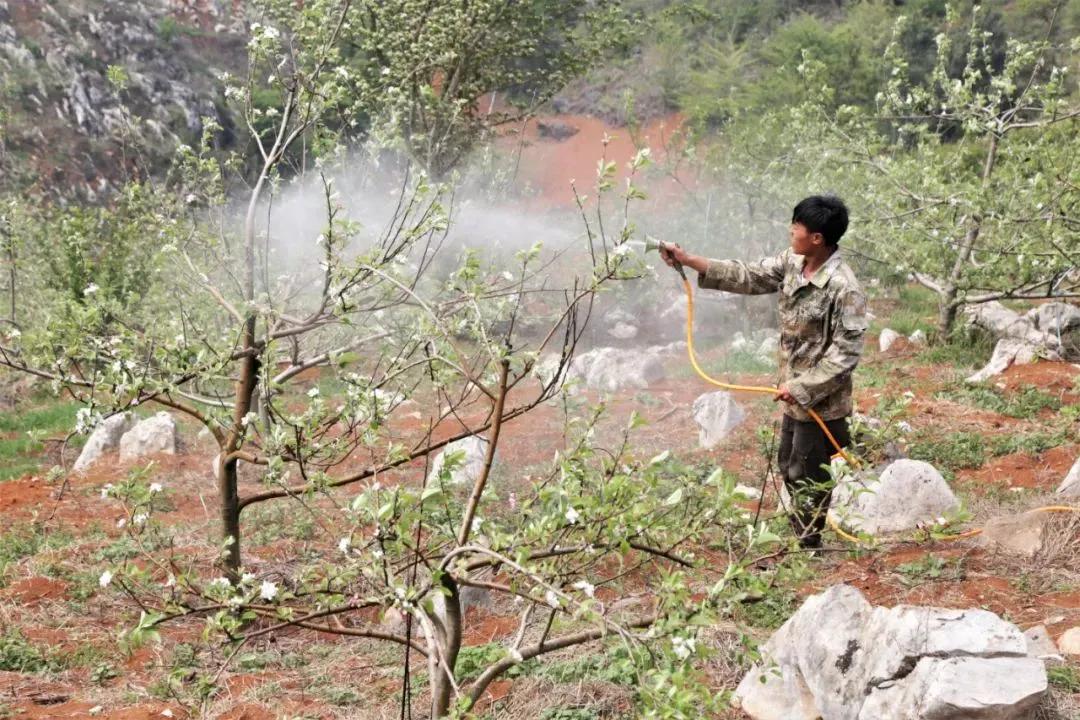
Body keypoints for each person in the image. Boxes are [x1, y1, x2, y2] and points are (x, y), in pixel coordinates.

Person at [659, 195, 867, 549]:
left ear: (817, 237)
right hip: (793, 396)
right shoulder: (793, 262)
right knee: (789, 465)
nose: (791, 230)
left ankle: (809, 546)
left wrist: (801, 388)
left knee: (808, 473)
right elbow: (750, 275)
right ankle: (804, 535)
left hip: (819, 403)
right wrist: (690, 260)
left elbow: (846, 355)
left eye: (797, 225)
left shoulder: (844, 288)